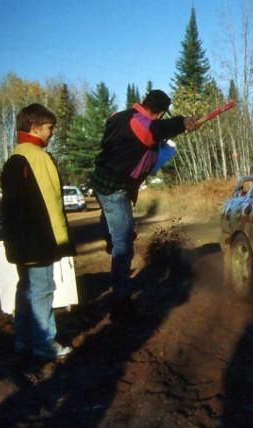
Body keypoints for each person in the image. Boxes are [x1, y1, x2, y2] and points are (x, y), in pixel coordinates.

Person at [90, 90, 199, 320]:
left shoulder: (119, 116)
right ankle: (120, 304)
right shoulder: (144, 125)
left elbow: (151, 133)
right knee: (124, 244)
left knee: (110, 221)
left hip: (102, 182)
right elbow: (155, 130)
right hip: (115, 189)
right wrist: (183, 122)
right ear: (159, 113)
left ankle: (110, 236)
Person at [0, 103, 76, 360]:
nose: (51, 133)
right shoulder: (38, 157)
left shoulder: (14, 157)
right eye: (49, 128)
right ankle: (44, 344)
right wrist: (60, 242)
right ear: (34, 126)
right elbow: (51, 203)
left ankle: (23, 340)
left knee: (26, 289)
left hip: (20, 242)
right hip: (39, 241)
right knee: (43, 291)